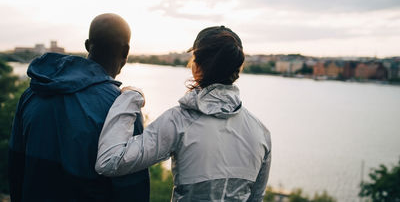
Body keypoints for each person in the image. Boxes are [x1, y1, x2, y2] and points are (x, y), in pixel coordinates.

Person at [95, 26, 272, 201]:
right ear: (238, 69)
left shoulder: (180, 120)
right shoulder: (261, 133)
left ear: (196, 67)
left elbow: (110, 161)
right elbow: (255, 198)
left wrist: (131, 97)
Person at [8, 13, 150, 201]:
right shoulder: (122, 108)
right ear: (125, 52)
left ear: (87, 45)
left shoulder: (33, 93)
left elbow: (16, 167)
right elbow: (132, 188)